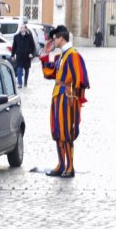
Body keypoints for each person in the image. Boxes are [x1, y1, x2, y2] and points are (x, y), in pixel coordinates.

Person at [39, 25, 90, 178]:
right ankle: (61, 164)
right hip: (58, 96)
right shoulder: (62, 55)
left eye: (55, 38)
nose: (54, 41)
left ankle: (70, 167)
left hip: (67, 98)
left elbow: (80, 79)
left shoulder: (73, 55)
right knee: (58, 132)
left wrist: (74, 99)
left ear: (61, 38)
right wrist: (45, 55)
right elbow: (51, 73)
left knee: (67, 132)